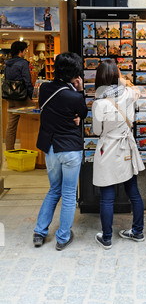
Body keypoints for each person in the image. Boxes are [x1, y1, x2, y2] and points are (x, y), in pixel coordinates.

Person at [33, 52, 87, 251]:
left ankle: (39, 232)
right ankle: (62, 237)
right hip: (70, 149)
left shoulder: (45, 88)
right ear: (75, 74)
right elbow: (82, 112)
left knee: (54, 190)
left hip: (51, 149)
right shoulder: (73, 95)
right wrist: (80, 91)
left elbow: (49, 111)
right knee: (69, 193)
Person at [92, 58, 145, 250]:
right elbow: (136, 90)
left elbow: (97, 131)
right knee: (134, 193)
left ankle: (107, 237)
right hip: (126, 149)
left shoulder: (99, 103)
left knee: (107, 197)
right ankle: (137, 231)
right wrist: (123, 80)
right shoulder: (128, 94)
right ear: (117, 76)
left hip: (108, 149)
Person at [4, 40, 34, 150]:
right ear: (20, 51)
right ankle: (32, 147)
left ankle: (9, 151)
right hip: (22, 98)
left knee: (11, 126)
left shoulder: (7, 64)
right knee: (35, 118)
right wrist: (32, 96)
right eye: (25, 50)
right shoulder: (23, 63)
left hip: (10, 97)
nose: (25, 52)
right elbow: (27, 81)